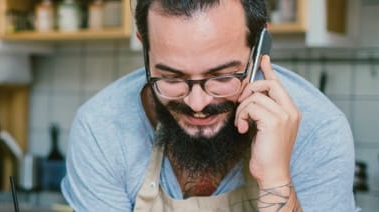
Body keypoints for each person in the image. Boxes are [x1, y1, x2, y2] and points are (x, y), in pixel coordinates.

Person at [59, 0, 356, 211]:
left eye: (221, 76)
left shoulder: (318, 130)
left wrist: (276, 178)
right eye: (171, 77)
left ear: (259, 46)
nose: (197, 103)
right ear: (144, 43)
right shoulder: (101, 126)